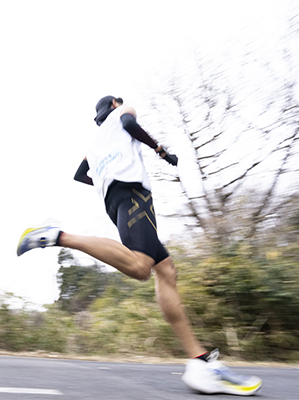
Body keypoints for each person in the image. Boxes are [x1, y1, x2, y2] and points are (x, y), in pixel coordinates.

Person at [16, 95, 262, 396]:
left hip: (117, 200)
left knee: (165, 270)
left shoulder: (94, 143)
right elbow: (131, 123)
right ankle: (57, 236)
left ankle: (199, 361)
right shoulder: (121, 113)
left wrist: (106, 179)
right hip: (134, 194)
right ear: (115, 104)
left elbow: (80, 175)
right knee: (140, 266)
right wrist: (160, 150)